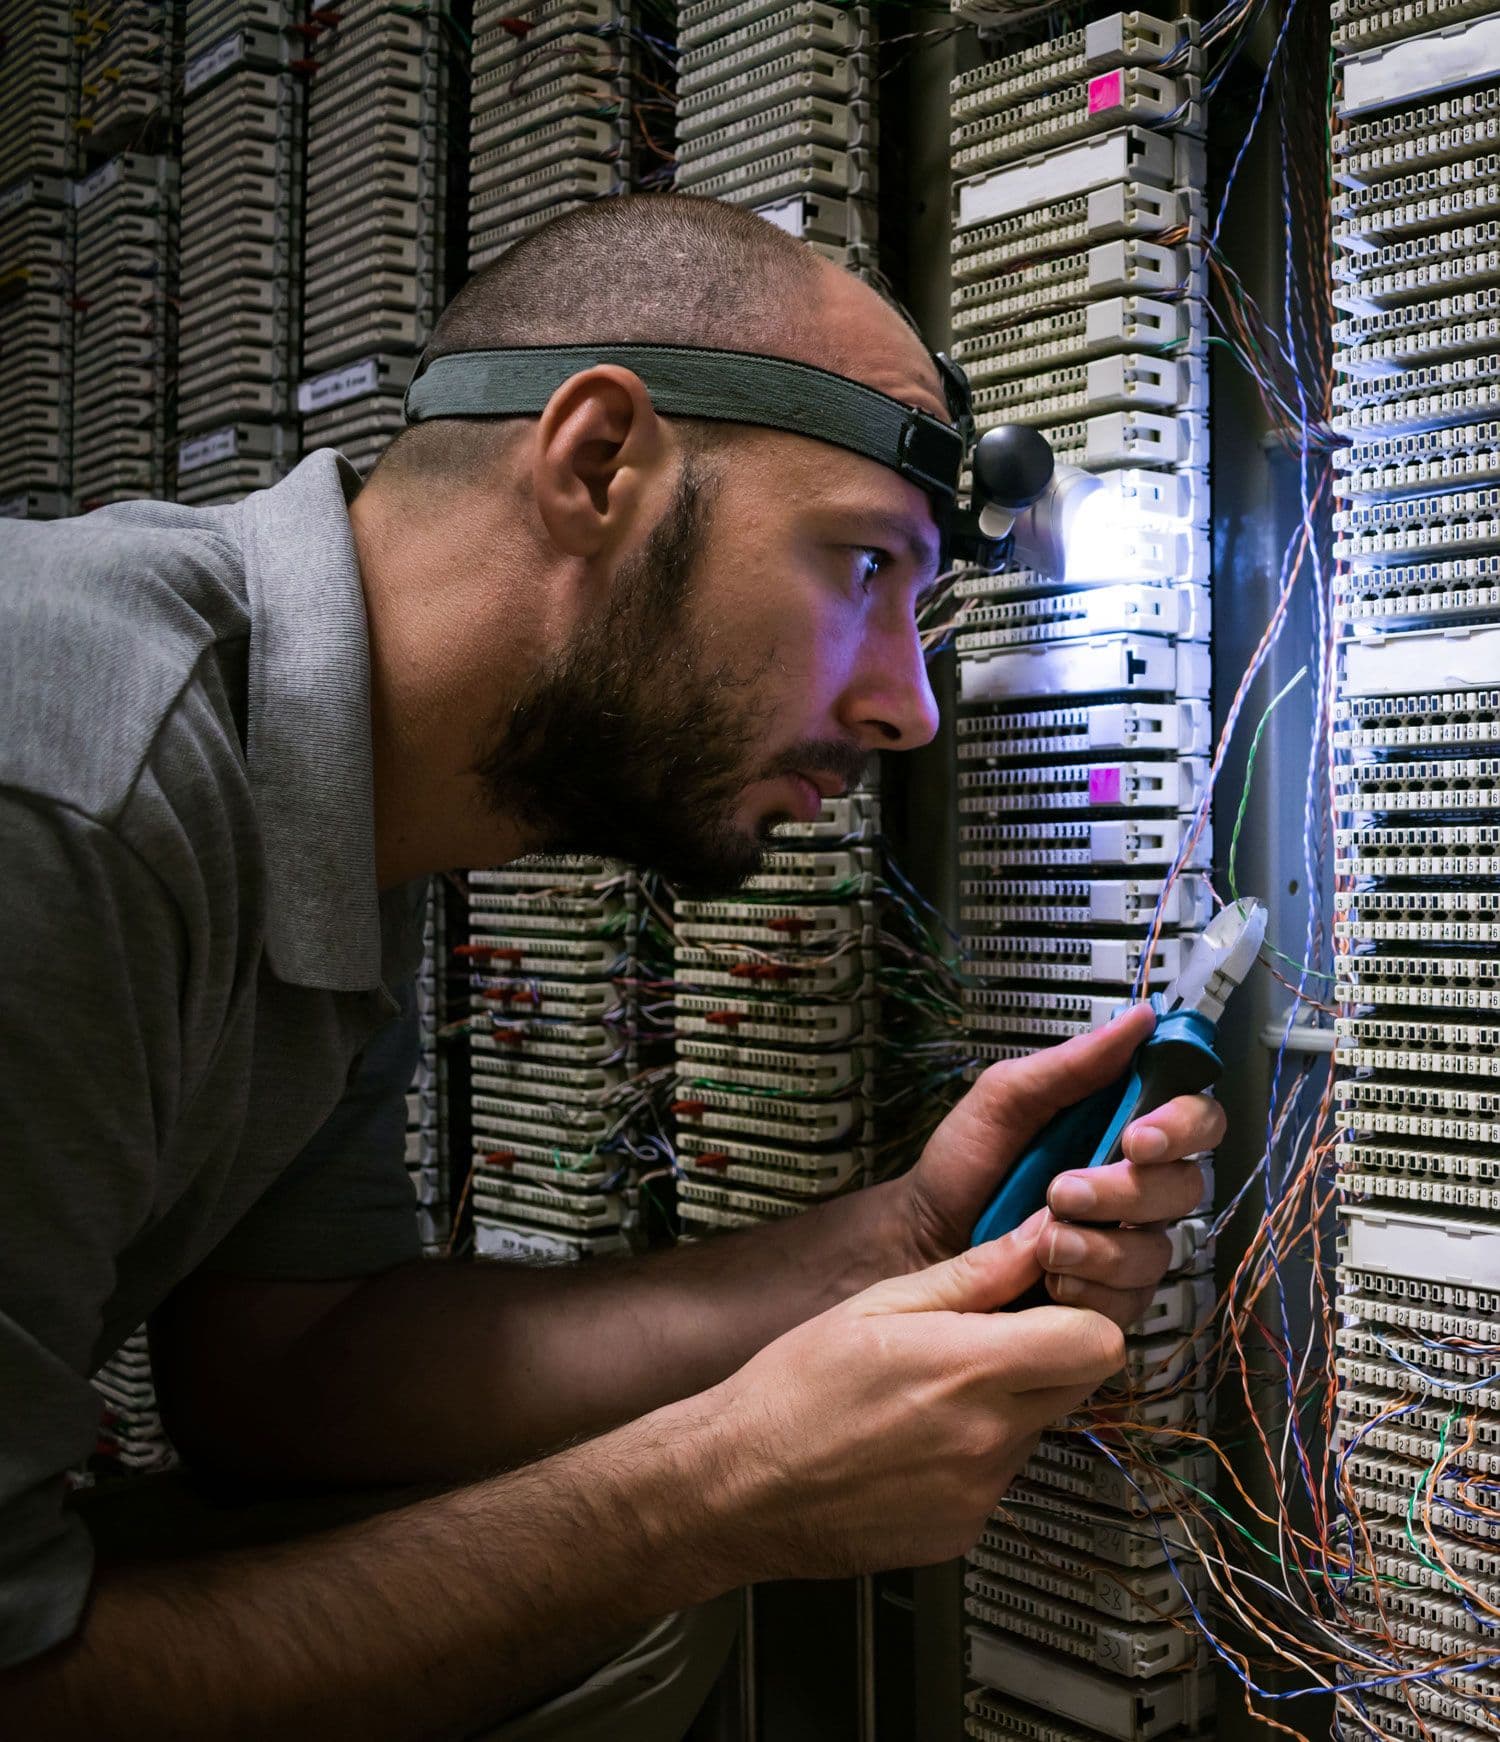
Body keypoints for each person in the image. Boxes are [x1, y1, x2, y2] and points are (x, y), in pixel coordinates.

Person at [0, 195, 1223, 1738]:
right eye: (863, 568)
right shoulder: (75, 790)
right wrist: (718, 1490)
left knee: (609, 1633)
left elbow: (285, 1374)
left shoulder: (325, 807)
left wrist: (905, 1234)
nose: (912, 706)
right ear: (596, 462)